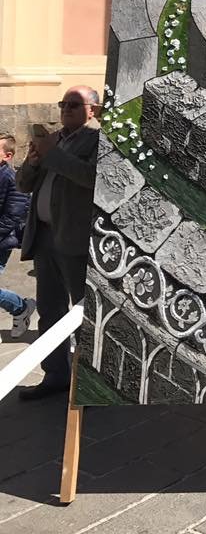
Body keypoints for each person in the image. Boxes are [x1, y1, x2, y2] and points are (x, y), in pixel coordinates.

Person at [16, 87, 100, 400]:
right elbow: (22, 184)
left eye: (74, 104)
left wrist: (52, 155)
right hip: (44, 237)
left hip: (74, 240)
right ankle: (56, 375)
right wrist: (34, 161)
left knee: (83, 315)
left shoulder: (97, 141)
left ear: (93, 110)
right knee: (50, 310)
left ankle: (91, 385)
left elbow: (92, 178)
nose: (66, 109)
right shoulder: (54, 140)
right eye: (63, 103)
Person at [0, 135, 35, 338]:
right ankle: (21, 308)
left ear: (7, 155)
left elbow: (12, 218)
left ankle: (21, 308)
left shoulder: (13, 180)